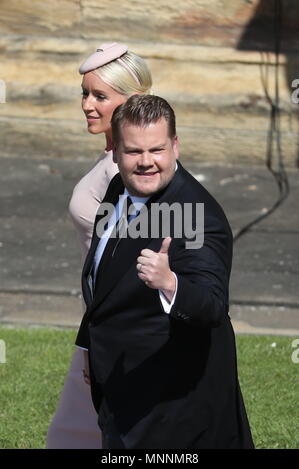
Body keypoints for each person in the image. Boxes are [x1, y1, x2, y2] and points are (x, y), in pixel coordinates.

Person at [75, 94, 255, 449]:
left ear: (175, 145)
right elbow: (102, 273)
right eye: (134, 152)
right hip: (122, 389)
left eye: (156, 150)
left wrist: (171, 283)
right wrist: (89, 345)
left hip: (172, 410)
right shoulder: (118, 189)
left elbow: (212, 305)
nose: (146, 163)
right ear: (116, 151)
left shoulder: (198, 216)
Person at [46, 43, 152, 449]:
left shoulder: (132, 168)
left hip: (119, 331)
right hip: (103, 325)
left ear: (135, 101)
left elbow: (130, 265)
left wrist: (99, 339)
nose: (88, 104)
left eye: (100, 96)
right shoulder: (114, 156)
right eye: (84, 93)